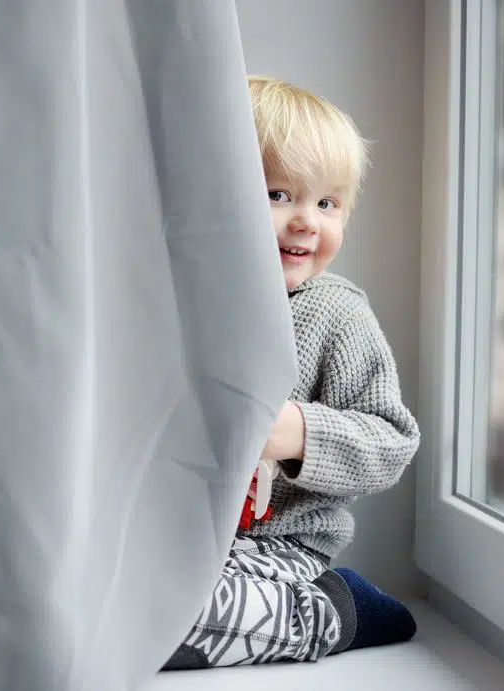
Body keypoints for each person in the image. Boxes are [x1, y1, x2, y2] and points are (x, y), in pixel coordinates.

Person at [163, 76, 422, 670]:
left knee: (167, 616)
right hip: (169, 532)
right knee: (90, 593)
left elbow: (391, 440)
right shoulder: (177, 305)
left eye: (327, 203)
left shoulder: (337, 313)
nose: (307, 221)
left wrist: (294, 431)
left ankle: (336, 611)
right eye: (279, 195)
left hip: (276, 544)